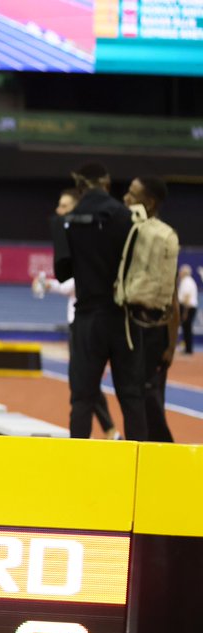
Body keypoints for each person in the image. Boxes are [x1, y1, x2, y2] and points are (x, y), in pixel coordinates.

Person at [52, 162, 146, 440]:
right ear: (106, 185)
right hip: (123, 318)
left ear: (80, 187)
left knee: (82, 397)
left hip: (88, 319)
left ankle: (78, 466)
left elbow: (62, 273)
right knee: (132, 397)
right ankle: (138, 469)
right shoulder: (127, 217)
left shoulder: (66, 220)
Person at [37, 188, 121, 439]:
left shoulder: (84, 241)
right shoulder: (71, 239)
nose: (57, 211)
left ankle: (109, 431)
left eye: (63, 206)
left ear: (74, 209)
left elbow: (75, 282)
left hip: (87, 325)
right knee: (86, 385)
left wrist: (47, 283)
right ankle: (110, 430)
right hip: (81, 323)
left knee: (83, 386)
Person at [122, 176, 177, 442]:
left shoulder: (164, 237)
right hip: (131, 328)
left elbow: (171, 297)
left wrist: (171, 345)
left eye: (132, 194)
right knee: (134, 396)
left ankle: (164, 452)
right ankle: (141, 447)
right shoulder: (131, 231)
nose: (126, 198)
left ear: (150, 202)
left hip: (154, 333)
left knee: (149, 399)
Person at [180, 264, 198, 355]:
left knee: (187, 328)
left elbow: (186, 297)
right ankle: (187, 348)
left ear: (184, 272)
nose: (179, 274)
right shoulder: (188, 281)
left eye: (181, 272)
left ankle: (188, 349)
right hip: (189, 308)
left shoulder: (186, 281)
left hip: (188, 308)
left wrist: (185, 312)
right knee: (186, 328)